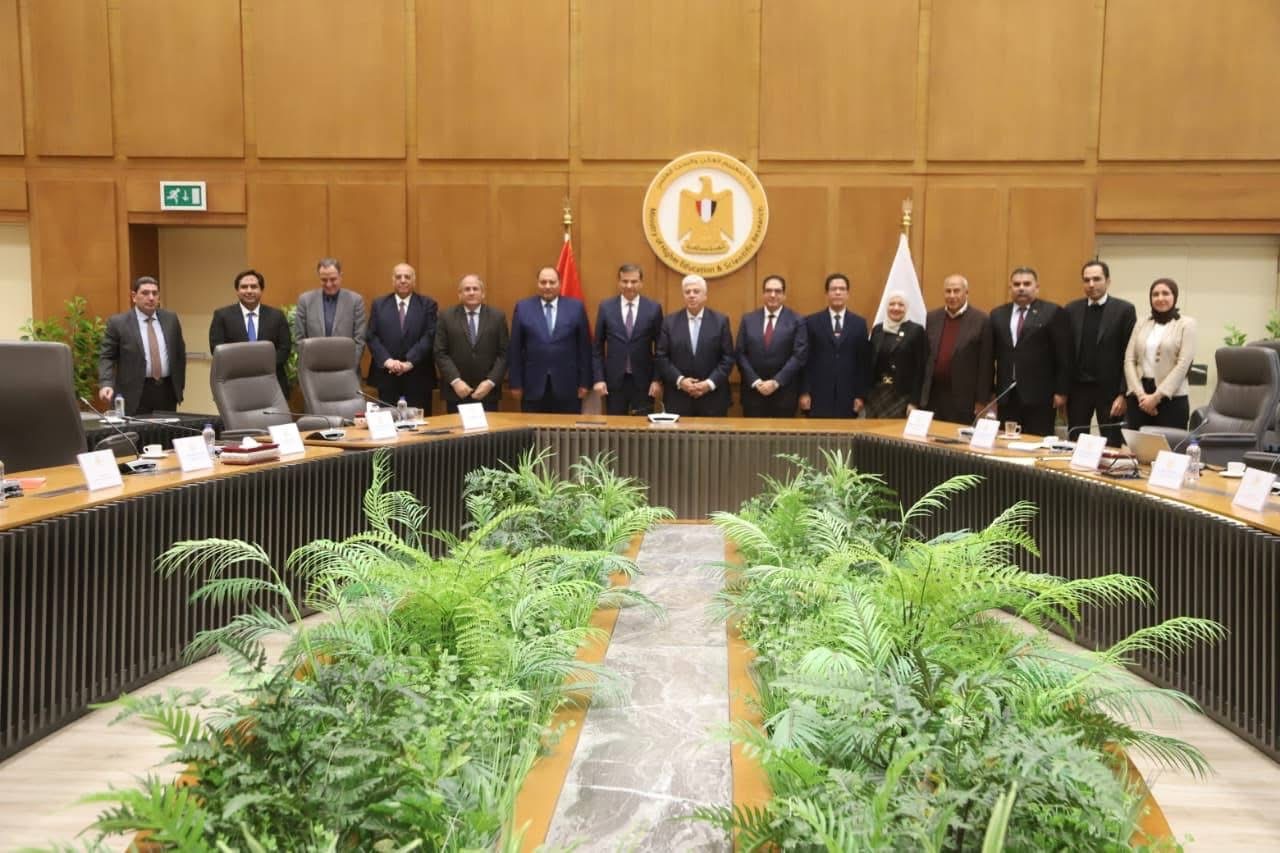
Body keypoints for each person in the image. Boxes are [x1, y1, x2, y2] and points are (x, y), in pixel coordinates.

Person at [989, 266, 1073, 437]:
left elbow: (1064, 355)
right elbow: (990, 355)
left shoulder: (1053, 312)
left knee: (1037, 442)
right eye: (1016, 284)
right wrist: (990, 391)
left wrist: (1061, 391)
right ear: (1010, 288)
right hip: (1007, 395)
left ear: (1037, 287)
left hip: (1040, 396)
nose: (1021, 288)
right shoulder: (997, 314)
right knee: (1006, 442)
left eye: (1027, 284)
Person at [1065, 260, 1137, 445]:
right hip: (1078, 389)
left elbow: (1130, 355)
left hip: (1111, 391)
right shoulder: (1071, 309)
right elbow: (1065, 353)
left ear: (1108, 281)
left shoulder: (1124, 310)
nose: (1091, 284)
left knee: (1112, 443)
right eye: (1086, 280)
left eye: (1097, 279)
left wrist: (1123, 394)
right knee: (1075, 440)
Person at [97, 275, 187, 415]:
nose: (151, 298)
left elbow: (180, 354)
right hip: (133, 393)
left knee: (166, 429)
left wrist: (179, 386)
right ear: (134, 296)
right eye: (145, 293)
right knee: (136, 429)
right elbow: (107, 357)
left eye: (155, 293)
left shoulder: (171, 319)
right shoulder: (118, 323)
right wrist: (106, 383)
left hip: (166, 391)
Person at [508, 266, 592, 414]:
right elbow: (515, 348)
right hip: (532, 387)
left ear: (560, 284)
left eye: (552, 282)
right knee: (533, 428)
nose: (547, 286)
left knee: (566, 428)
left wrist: (585, 383)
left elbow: (584, 348)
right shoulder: (523, 307)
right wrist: (515, 383)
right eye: (543, 282)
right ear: (537, 284)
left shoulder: (576, 307)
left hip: (568, 386)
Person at [655, 274, 735, 417]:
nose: (691, 295)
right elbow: (662, 357)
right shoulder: (669, 322)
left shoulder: (720, 321)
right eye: (687, 292)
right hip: (678, 398)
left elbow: (728, 358)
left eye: (696, 291)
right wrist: (681, 381)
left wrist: (708, 384)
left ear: (705, 296)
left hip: (713, 398)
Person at [1123, 278, 1196, 431]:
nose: (1160, 298)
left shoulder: (1186, 324)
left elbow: (1183, 364)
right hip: (1139, 397)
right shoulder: (1142, 323)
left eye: (1165, 293)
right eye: (1155, 294)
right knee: (1137, 444)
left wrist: (1156, 397)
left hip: (1172, 397)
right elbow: (1129, 359)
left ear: (1175, 296)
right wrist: (1141, 395)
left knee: (1169, 445)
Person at [591, 263, 663, 415]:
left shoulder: (653, 308)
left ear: (641, 283)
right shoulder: (606, 307)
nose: (629, 286)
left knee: (643, 426)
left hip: (644, 383)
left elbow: (660, 348)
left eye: (634, 281)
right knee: (614, 426)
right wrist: (599, 378)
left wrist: (656, 379)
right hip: (614, 382)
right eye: (625, 281)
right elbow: (597, 347)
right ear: (619, 282)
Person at [922, 274, 993, 424]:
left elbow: (986, 365)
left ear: (966, 293)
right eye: (948, 291)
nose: (952, 295)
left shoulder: (981, 320)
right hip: (933, 395)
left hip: (964, 400)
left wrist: (982, 401)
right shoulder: (932, 317)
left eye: (956, 291)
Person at [208, 269, 292, 396]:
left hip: (272, 383)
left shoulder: (276, 316)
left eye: (254, 287)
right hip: (235, 384)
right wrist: (246, 368)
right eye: (244, 287)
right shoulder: (222, 316)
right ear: (237, 290)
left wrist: (261, 367)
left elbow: (285, 348)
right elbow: (217, 349)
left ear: (261, 290)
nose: (249, 291)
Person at [366, 263, 437, 410]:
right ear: (393, 280)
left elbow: (430, 336)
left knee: (419, 422)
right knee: (389, 421)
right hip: (387, 376)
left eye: (407, 277)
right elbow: (371, 336)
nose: (403, 280)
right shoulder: (379, 304)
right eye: (398, 277)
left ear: (414, 280)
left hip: (418, 376)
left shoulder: (428, 304)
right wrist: (388, 361)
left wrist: (409, 362)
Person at [433, 274, 509, 413]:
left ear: (483, 293)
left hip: (488, 392)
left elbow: (504, 354)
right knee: (456, 427)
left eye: (475, 289)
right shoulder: (446, 316)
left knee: (489, 428)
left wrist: (490, 382)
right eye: (467, 289)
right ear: (460, 294)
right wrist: (456, 381)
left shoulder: (497, 317)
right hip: (456, 392)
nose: (471, 292)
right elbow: (440, 352)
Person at [736, 274, 808, 418]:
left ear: (784, 295)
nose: (773, 295)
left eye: (777, 291)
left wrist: (776, 382)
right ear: (763, 294)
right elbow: (740, 354)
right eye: (768, 291)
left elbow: (799, 356)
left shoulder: (797, 320)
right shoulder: (748, 319)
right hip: (753, 394)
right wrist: (756, 382)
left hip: (784, 395)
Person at [800, 273, 870, 418]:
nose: (838, 292)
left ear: (848, 294)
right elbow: (804, 361)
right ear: (827, 293)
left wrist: (860, 395)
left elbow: (862, 363)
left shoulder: (859, 323)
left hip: (848, 396)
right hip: (817, 396)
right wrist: (804, 392)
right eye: (833, 289)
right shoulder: (811, 322)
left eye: (842, 289)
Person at [865, 291, 929, 419]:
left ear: (906, 308)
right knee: (873, 430)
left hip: (901, 395)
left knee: (895, 430)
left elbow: (920, 369)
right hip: (876, 394)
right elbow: (870, 362)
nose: (896, 308)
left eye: (901, 304)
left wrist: (914, 402)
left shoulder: (915, 330)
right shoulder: (878, 329)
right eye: (892, 304)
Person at [293, 257, 366, 369]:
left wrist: (349, 367)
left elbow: (360, 340)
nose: (328, 284)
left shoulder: (355, 301)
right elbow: (300, 339)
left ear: (340, 276)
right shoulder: (305, 301)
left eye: (333, 279)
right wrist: (311, 365)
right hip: (314, 369)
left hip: (346, 370)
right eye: (324, 280)